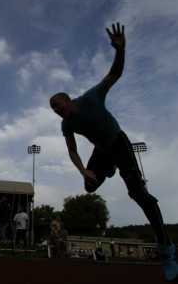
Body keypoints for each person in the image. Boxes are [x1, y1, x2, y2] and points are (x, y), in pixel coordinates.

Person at [50, 22, 178, 281]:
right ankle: (106, 169)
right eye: (53, 109)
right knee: (89, 187)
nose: (56, 110)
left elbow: (114, 74)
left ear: (69, 100)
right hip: (102, 151)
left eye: (57, 105)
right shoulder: (67, 124)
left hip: (119, 143)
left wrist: (120, 50)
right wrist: (83, 169)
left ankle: (166, 249)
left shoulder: (91, 98)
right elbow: (72, 151)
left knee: (138, 194)